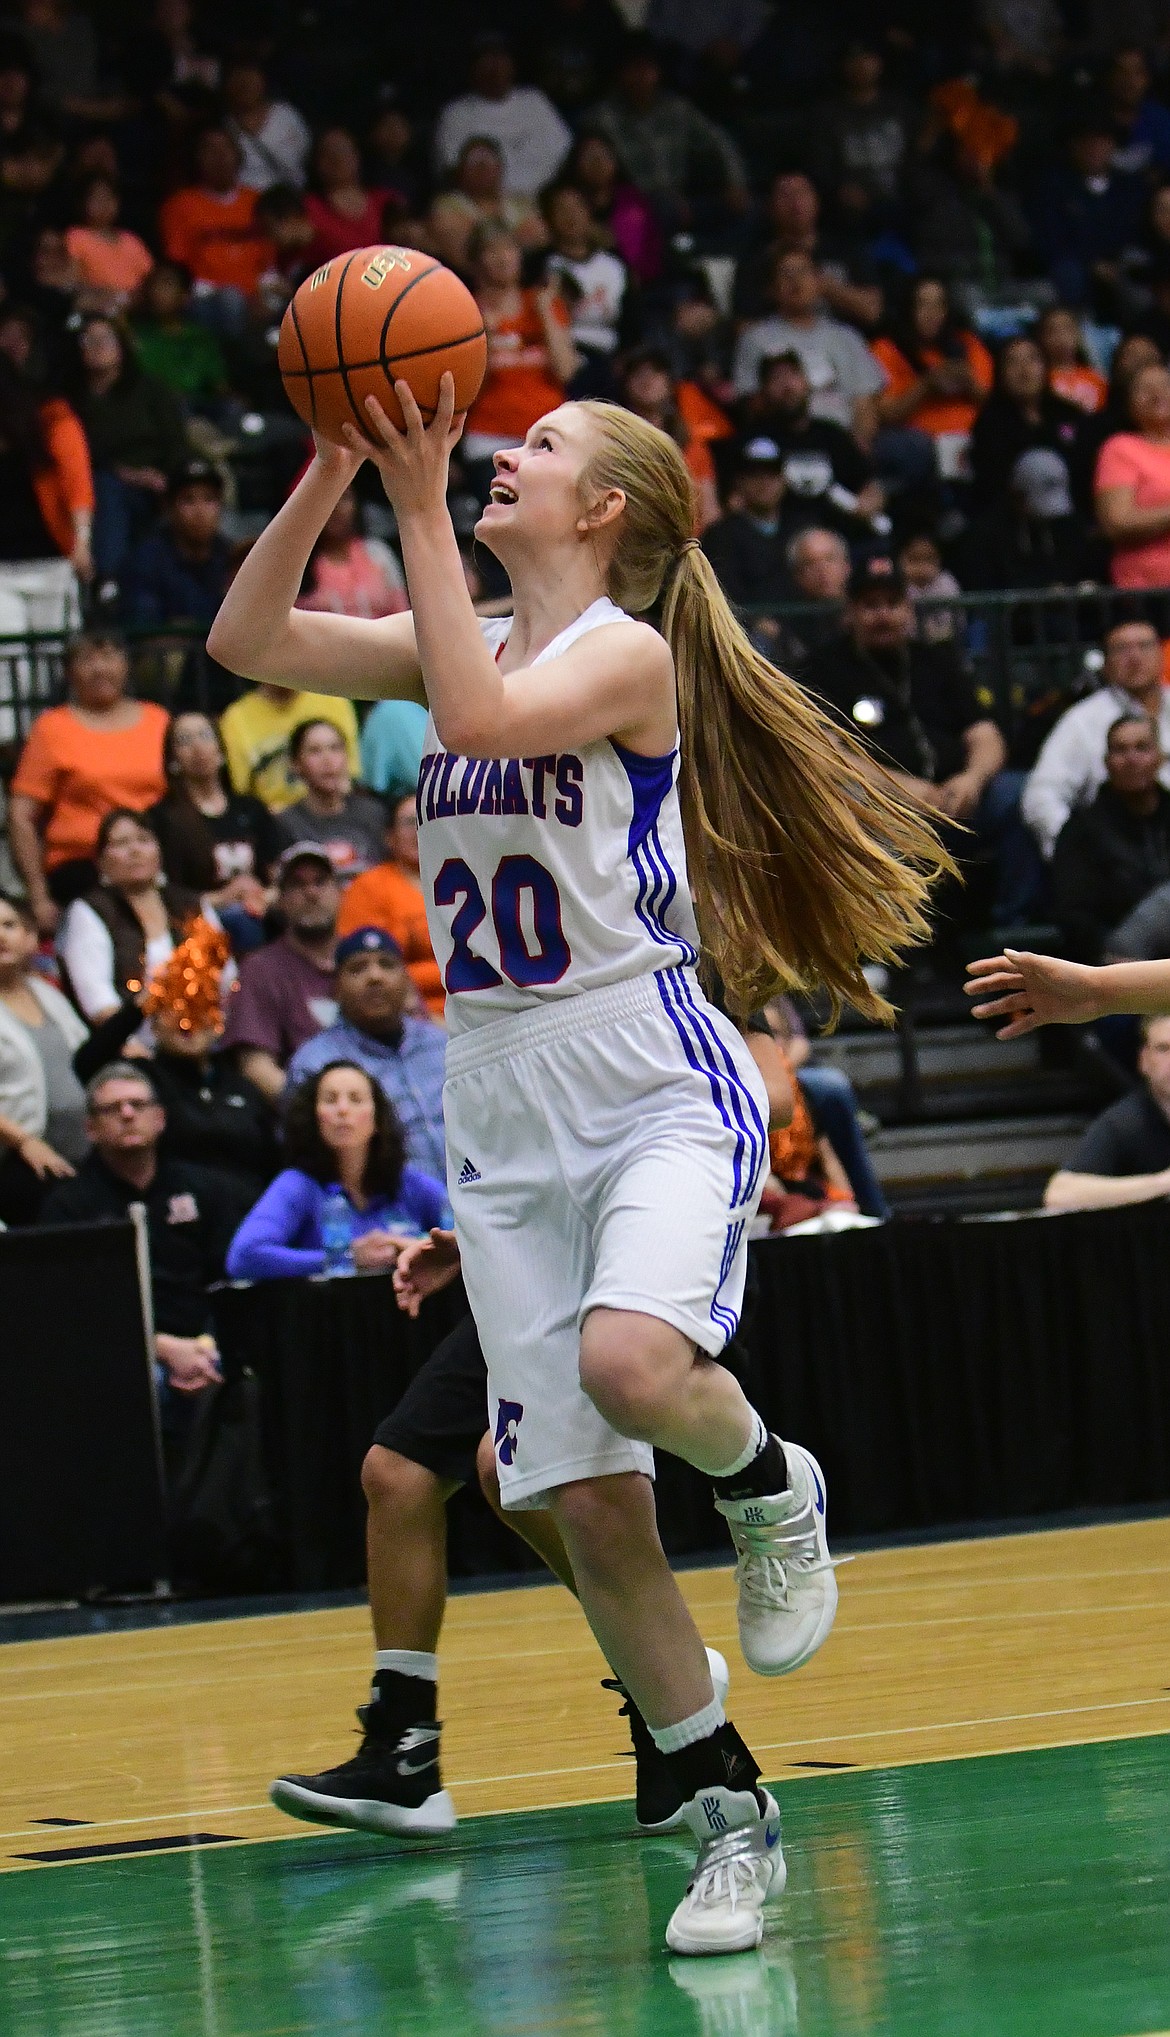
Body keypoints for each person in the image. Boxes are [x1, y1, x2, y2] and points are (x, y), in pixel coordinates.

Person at [207, 371, 944, 1956]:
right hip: (497, 1098)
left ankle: (765, 1479)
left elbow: (472, 718)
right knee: (573, 1499)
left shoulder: (621, 649)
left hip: (642, 1066)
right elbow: (248, 645)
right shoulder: (461, 631)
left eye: (538, 445)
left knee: (629, 1367)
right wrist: (336, 465)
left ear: (603, 510)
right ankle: (724, 1811)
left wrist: (409, 497)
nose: (499, 455)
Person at [802, 557, 1040, 926]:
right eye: (871, 606)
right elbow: (828, 752)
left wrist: (971, 780)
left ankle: (1013, 927)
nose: (883, 615)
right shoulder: (824, 668)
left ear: (908, 609)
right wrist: (906, 791)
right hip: (880, 803)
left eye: (892, 605)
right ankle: (888, 946)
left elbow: (985, 734)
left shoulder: (937, 659)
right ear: (851, 612)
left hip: (956, 797)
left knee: (1019, 792)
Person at [41, 1058, 246, 1398]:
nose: (127, 1114)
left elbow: (228, 1278)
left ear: (160, 1118)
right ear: (90, 1128)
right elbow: (67, 1309)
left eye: (137, 1105)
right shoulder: (67, 1207)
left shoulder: (204, 1190)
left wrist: (205, 1345)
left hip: (206, 1345)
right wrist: (162, 1348)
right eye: (112, 1108)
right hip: (117, 1355)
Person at [78, 916, 277, 1193]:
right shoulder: (144, 1080)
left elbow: (271, 1157)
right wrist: (143, 1002)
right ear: (154, 1023)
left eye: (200, 1005)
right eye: (175, 1007)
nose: (189, 1020)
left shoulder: (240, 1085)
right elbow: (87, 1063)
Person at [226, 1058, 449, 1281]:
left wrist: (417, 1246)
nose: (342, 1109)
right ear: (313, 1116)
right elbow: (243, 1257)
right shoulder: (297, 1184)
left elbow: (465, 1228)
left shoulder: (407, 1181)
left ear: (377, 1119)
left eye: (356, 1099)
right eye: (330, 1100)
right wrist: (345, 1257)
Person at [8, 631, 168, 932]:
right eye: (87, 659)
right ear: (69, 673)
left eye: (109, 656)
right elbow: (20, 815)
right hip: (82, 866)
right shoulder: (52, 728)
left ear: (126, 664)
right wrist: (38, 895)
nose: (100, 668)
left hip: (158, 860)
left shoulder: (157, 720)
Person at [285, 925, 447, 1181]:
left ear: (407, 980)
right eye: (358, 968)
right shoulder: (315, 1063)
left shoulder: (440, 1043)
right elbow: (306, 1159)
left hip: (473, 1196)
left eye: (387, 965)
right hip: (384, 1209)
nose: (375, 977)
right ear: (336, 989)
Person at [1022, 616, 1170, 857]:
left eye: (1144, 646)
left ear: (1161, 654)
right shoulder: (1081, 720)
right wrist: (1080, 850)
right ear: (1107, 664)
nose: (1135, 657)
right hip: (1118, 860)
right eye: (1122, 649)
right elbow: (1041, 796)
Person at [55, 806, 211, 1025]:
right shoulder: (89, 911)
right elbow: (98, 1001)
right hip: (130, 1041)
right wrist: (126, 1042)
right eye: (121, 843)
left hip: (201, 1031)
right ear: (101, 860)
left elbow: (225, 974)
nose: (135, 850)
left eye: (144, 840)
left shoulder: (190, 903)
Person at [68, 314, 191, 585]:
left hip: (155, 484)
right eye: (89, 340)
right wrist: (126, 474)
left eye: (105, 339)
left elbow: (176, 443)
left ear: (122, 345)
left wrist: (167, 480)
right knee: (107, 489)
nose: (97, 346)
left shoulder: (151, 390)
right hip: (95, 485)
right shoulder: (71, 398)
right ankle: (109, 582)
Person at [584, 32, 750, 228]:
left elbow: (720, 143)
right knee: (663, 208)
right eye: (634, 69)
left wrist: (735, 182)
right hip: (632, 209)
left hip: (683, 200)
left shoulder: (676, 108)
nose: (642, 76)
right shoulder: (601, 119)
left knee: (749, 209)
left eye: (648, 68)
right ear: (621, 73)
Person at [220, 844, 340, 1099]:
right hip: (310, 1110)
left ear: (340, 892)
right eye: (297, 885)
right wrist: (313, 1113)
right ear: (281, 900)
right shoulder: (260, 969)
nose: (311, 893)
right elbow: (254, 1065)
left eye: (320, 882)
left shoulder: (366, 959)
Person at [731, 249, 886, 439]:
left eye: (803, 272)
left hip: (839, 441)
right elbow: (751, 406)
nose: (795, 281)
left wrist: (857, 453)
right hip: (782, 440)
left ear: (818, 281)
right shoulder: (755, 338)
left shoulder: (847, 337)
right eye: (786, 274)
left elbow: (865, 405)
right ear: (771, 288)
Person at [1052, 712, 1170, 961]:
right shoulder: (1082, 830)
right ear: (1107, 762)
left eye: (1142, 748)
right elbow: (1073, 915)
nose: (1132, 759)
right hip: (1114, 964)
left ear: (1160, 758)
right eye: (1120, 750)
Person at [148, 710, 277, 937]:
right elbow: (162, 890)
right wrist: (221, 898)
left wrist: (263, 896)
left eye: (205, 736)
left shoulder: (251, 808)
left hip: (259, 910)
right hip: (198, 922)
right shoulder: (162, 819)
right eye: (185, 740)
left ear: (221, 751)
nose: (198, 747)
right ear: (172, 760)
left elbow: (279, 872)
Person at [0, 889, 88, 1223]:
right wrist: (23, 1142)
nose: (0, 936)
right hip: (17, 1160)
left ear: (30, 937)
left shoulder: (47, 992)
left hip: (78, 1148)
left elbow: (84, 1056)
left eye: (9, 925)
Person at [462, 225, 578, 477]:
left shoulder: (543, 302)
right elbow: (469, 390)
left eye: (508, 248)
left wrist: (545, 314)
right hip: (489, 438)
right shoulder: (467, 309)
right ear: (476, 262)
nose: (503, 257)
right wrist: (487, 340)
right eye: (492, 251)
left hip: (547, 432)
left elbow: (566, 371)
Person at [737, 350, 886, 543]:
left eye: (793, 375)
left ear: (806, 382)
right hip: (779, 541)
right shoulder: (754, 439)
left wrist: (870, 503)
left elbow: (869, 484)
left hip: (841, 535)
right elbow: (736, 499)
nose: (787, 386)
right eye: (776, 378)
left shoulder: (832, 434)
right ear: (763, 391)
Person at [0, 352, 92, 636]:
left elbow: (77, 483)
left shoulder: (52, 418)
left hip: (52, 562)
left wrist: (82, 540)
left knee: (53, 657)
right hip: (2, 572)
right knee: (7, 669)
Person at [1042, 1014, 1170, 1209]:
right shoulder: (1126, 1121)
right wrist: (1162, 1183)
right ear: (1143, 1059)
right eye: (1163, 1049)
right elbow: (1059, 1194)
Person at [870, 278, 994, 478]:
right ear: (909, 309)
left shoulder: (969, 344)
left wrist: (968, 382)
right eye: (923, 304)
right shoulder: (886, 350)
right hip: (919, 446)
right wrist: (926, 385)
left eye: (939, 305)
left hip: (973, 441)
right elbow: (887, 415)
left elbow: (994, 403)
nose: (932, 314)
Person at [732, 169, 882, 330]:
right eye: (785, 195)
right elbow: (742, 327)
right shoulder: (758, 259)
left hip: (843, 342)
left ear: (817, 201)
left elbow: (872, 312)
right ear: (771, 207)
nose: (795, 203)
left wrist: (823, 286)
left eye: (802, 193)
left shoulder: (845, 248)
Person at [337, 796, 444, 1020]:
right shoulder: (369, 887)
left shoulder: (469, 880)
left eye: (428, 818)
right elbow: (360, 971)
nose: (419, 828)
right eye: (409, 822)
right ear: (390, 837)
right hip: (403, 1014)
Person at [159, 127, 273, 331]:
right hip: (207, 297)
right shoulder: (180, 205)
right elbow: (179, 269)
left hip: (260, 295)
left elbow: (270, 263)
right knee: (231, 301)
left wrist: (262, 292)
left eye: (225, 149)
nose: (220, 157)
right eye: (210, 150)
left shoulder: (257, 201)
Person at [433, 34, 571, 199]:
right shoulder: (455, 113)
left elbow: (564, 152)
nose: (495, 65)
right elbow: (451, 169)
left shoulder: (535, 101)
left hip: (539, 201)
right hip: (477, 204)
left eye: (500, 57)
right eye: (487, 59)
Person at [968, 333, 1087, 514]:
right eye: (1013, 362)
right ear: (1000, 373)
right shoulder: (989, 422)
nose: (1024, 370)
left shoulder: (1069, 413)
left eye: (1033, 359)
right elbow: (992, 483)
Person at [122, 458, 231, 630]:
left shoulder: (231, 556)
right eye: (188, 500)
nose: (200, 512)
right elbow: (144, 635)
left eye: (209, 499)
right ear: (169, 508)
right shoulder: (147, 560)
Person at [219, 679, 360, 812]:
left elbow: (350, 778)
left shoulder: (333, 700)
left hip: (334, 814)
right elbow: (243, 794)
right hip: (272, 823)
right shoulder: (236, 718)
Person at [272, 719, 388, 880]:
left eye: (335, 748)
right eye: (315, 751)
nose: (328, 760)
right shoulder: (285, 824)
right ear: (296, 763)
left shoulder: (373, 814)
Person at [700, 437, 803, 612]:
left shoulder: (800, 529)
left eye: (772, 473)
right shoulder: (720, 536)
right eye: (754, 474)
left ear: (784, 479)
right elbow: (725, 595)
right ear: (739, 481)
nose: (764, 482)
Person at [1095, 359, 1170, 588]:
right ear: (1129, 404)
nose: (1157, 394)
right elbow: (1116, 522)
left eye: (1165, 386)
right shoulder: (1120, 448)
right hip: (1148, 591)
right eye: (1145, 389)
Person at [426, 136, 545, 275]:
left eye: (488, 162)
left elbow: (540, 238)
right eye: (474, 162)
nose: (482, 168)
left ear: (500, 167)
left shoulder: (520, 202)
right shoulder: (447, 204)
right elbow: (459, 252)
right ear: (461, 169)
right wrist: (513, 236)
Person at [562, 130, 662, 287]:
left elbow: (645, 258)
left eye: (603, 154)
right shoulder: (566, 202)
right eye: (589, 156)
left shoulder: (632, 203)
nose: (597, 162)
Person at [129, 262, 230, 410]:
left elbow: (218, 384)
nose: (158, 292)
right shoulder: (137, 336)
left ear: (185, 296)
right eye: (154, 285)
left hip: (201, 405)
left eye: (167, 285)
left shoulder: (199, 337)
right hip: (159, 408)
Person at [297, 487, 407, 620]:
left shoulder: (378, 553)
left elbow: (402, 615)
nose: (336, 507)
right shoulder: (296, 562)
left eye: (344, 497)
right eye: (326, 497)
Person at [64, 173, 153, 312]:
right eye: (97, 198)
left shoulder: (131, 239)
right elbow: (71, 281)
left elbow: (150, 279)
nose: (104, 204)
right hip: (97, 304)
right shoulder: (76, 237)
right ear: (82, 203)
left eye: (109, 198)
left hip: (137, 305)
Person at [303, 125, 391, 266]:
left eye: (343, 150)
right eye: (327, 153)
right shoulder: (307, 209)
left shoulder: (386, 201)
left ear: (357, 155)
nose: (336, 158)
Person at [221, 58, 310, 192]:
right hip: (243, 203)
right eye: (239, 78)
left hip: (287, 200)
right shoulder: (222, 127)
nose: (245, 84)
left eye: (250, 78)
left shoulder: (286, 115)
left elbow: (302, 158)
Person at [1034, 304, 1107, 414]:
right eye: (1053, 331)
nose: (1061, 337)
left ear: (1078, 334)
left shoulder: (1096, 379)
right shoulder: (1039, 380)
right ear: (1042, 337)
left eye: (1067, 329)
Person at [358, 696, 428, 805]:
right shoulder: (409, 707)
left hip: (417, 796)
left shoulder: (383, 714)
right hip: (439, 791)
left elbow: (376, 783)